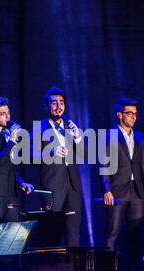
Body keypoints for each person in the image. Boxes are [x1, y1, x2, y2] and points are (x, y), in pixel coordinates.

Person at [101, 98, 144, 271]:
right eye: (129, 113)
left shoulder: (139, 136)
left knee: (135, 234)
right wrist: (106, 189)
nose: (134, 117)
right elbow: (104, 163)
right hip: (116, 189)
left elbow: (143, 164)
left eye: (135, 114)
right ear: (119, 114)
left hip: (136, 190)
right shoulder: (109, 135)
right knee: (113, 232)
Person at [32, 86, 84, 247]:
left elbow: (83, 154)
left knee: (73, 229)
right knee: (52, 230)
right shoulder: (39, 127)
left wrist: (77, 137)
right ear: (46, 106)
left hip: (73, 184)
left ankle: (71, 269)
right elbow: (32, 156)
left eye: (61, 103)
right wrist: (52, 151)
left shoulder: (69, 126)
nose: (59, 106)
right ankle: (51, 268)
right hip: (52, 184)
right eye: (54, 103)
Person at [0, 97, 34, 222]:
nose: (7, 117)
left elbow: (8, 166)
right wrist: (11, 142)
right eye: (2, 114)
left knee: (13, 232)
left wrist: (21, 182)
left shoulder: (7, 134)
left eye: (8, 112)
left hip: (11, 194)